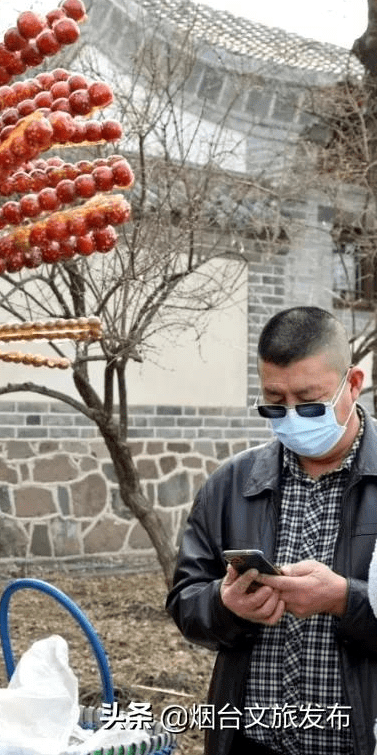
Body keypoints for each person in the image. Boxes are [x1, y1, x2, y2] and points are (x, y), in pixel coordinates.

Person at [167, 306, 377, 755]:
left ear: (353, 383)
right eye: (274, 402)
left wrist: (346, 599)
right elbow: (186, 601)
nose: (293, 417)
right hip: (250, 742)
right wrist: (224, 604)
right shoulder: (232, 484)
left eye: (310, 401)